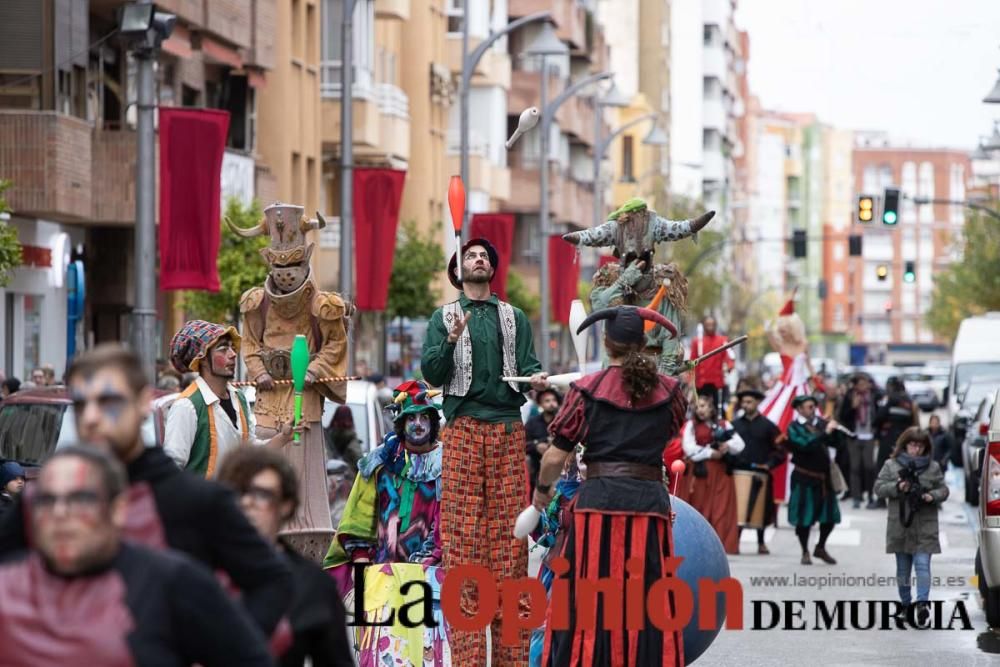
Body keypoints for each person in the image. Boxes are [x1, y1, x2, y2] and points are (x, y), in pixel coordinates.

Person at [0, 344, 294, 638]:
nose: (91, 417)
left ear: (142, 403)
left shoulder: (200, 502)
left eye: (108, 401)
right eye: (81, 404)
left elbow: (272, 581)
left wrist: (215, 644)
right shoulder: (43, 501)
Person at [0, 446, 273, 665]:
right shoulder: (6, 587)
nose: (60, 514)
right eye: (46, 501)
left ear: (118, 509)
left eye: (80, 499)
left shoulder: (173, 582)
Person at [532, 305, 687, 666]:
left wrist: (541, 495)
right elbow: (670, 432)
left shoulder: (586, 390)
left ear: (605, 342)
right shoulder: (671, 390)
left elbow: (554, 458)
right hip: (649, 505)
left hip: (598, 504)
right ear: (644, 344)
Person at [421, 237, 547, 665]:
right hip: (462, 431)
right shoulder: (443, 318)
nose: (477, 260)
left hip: (508, 430)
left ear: (492, 269)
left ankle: (511, 659)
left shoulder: (515, 318)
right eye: (469, 255)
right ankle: (469, 661)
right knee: (462, 546)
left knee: (512, 545)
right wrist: (451, 340)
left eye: (483, 256)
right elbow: (432, 373)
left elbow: (527, 368)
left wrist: (538, 379)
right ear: (458, 270)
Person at [231, 202, 349, 538]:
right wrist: (258, 372)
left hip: (304, 397)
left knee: (301, 465)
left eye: (293, 266)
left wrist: (314, 369)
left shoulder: (322, 305)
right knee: (267, 458)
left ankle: (304, 527)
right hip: (268, 399)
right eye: (279, 267)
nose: (286, 274)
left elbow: (335, 344)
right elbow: (250, 343)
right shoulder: (256, 302)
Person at [324, 380, 449, 665]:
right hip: (382, 577)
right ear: (400, 422)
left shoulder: (449, 464)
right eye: (411, 418)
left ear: (433, 421)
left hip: (432, 578)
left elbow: (453, 522)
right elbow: (359, 518)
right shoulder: (379, 463)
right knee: (381, 656)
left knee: (425, 656)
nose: (418, 424)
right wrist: (359, 563)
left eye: (424, 417)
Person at [217, 446, 353, 667]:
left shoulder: (312, 586)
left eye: (261, 494)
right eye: (237, 492)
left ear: (285, 506)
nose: (247, 503)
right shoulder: (195, 569)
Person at [562, 197, 714, 377]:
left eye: (643, 257)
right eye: (630, 257)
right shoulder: (608, 282)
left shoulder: (665, 289)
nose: (637, 263)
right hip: (615, 375)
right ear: (620, 255)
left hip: (652, 376)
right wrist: (624, 280)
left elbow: (670, 342)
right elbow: (599, 307)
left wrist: (663, 381)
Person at [164, 320, 297, 476]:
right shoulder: (187, 406)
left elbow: (249, 452)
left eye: (232, 348)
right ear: (203, 360)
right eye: (223, 349)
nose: (233, 354)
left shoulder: (239, 398)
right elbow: (172, 469)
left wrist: (283, 437)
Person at [873, 427, 949, 624]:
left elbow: (943, 489)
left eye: (920, 446)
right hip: (901, 524)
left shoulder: (932, 467)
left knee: (923, 565)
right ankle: (906, 605)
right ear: (905, 445)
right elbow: (878, 488)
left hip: (925, 524)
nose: (916, 449)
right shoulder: (891, 465)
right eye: (913, 445)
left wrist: (931, 495)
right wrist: (898, 487)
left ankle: (922, 604)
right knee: (903, 569)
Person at [759, 294, 812, 505]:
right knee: (774, 426)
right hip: (784, 390)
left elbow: (809, 368)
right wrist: (768, 329)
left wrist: (816, 381)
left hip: (800, 388)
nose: (782, 330)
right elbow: (772, 338)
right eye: (781, 327)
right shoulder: (782, 346)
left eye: (785, 327)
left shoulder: (803, 345)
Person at [679, 393, 746, 555]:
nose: (700, 410)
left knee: (721, 509)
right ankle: (699, 546)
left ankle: (722, 545)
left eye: (704, 406)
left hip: (721, 473)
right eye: (698, 406)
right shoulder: (691, 425)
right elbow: (689, 448)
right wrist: (710, 453)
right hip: (700, 474)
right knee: (700, 508)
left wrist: (726, 445)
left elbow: (740, 444)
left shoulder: (724, 424)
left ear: (711, 408)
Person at [786, 395, 842, 565]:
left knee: (830, 517)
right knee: (804, 518)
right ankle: (805, 551)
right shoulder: (793, 427)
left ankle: (820, 547)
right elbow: (805, 445)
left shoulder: (821, 424)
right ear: (800, 409)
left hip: (824, 478)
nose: (812, 410)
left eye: (813, 406)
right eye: (809, 407)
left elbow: (837, 444)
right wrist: (824, 433)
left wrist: (835, 430)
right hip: (804, 477)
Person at [733, 388, 784, 554]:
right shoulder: (735, 425)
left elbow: (780, 450)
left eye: (750, 402)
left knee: (760, 509)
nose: (746, 405)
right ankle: (736, 541)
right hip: (739, 472)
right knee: (738, 509)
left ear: (757, 403)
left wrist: (768, 465)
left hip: (761, 473)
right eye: (744, 402)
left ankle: (761, 542)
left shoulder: (768, 427)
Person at [872, 377, 919, 509]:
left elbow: (878, 418)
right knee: (903, 468)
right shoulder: (909, 401)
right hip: (904, 440)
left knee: (882, 468)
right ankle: (904, 496)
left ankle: (881, 499)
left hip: (888, 438)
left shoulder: (890, 399)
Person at [837, 372, 881, 509]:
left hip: (869, 436)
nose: (864, 386)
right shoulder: (850, 396)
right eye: (861, 383)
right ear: (856, 385)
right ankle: (856, 497)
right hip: (854, 436)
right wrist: (853, 407)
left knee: (869, 467)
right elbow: (843, 416)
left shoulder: (873, 396)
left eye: (866, 383)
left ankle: (870, 496)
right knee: (855, 468)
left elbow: (879, 414)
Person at [688, 316, 735, 410]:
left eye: (712, 324)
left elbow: (730, 357)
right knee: (700, 409)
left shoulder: (723, 340)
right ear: (704, 326)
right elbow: (692, 362)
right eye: (708, 324)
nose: (710, 327)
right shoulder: (697, 342)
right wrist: (690, 381)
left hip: (717, 383)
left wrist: (729, 366)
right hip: (701, 383)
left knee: (719, 410)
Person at [525, 387, 562, 495]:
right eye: (547, 401)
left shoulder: (562, 422)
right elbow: (523, 444)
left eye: (554, 400)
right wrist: (536, 446)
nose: (551, 404)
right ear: (540, 404)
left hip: (560, 473)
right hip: (537, 471)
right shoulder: (532, 423)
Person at [324, 405, 363, 473]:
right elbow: (361, 464)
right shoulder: (352, 439)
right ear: (350, 419)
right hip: (347, 479)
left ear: (335, 418)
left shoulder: (324, 437)